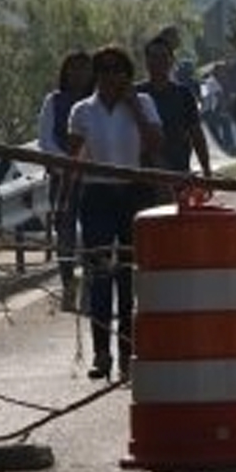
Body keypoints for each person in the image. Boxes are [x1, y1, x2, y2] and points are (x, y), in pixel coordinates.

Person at [66, 44, 162, 380]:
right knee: (100, 275)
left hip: (133, 193)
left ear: (127, 74)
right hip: (97, 195)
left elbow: (154, 144)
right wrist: (64, 202)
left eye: (117, 69)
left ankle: (127, 351)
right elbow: (71, 159)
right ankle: (101, 352)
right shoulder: (82, 111)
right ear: (97, 74)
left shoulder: (144, 104)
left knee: (127, 276)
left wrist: (134, 105)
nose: (111, 76)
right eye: (104, 70)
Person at [36, 49, 92, 312]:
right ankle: (69, 287)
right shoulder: (54, 101)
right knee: (66, 235)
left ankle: (93, 291)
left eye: (84, 69)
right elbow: (45, 140)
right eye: (73, 68)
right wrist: (67, 165)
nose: (78, 74)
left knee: (95, 236)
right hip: (62, 180)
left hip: (94, 180)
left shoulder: (96, 102)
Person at [138, 34, 213, 187]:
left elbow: (196, 134)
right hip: (142, 176)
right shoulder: (135, 94)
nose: (158, 61)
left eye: (163, 56)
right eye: (153, 56)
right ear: (146, 61)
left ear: (171, 61)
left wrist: (206, 170)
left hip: (178, 173)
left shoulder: (183, 95)